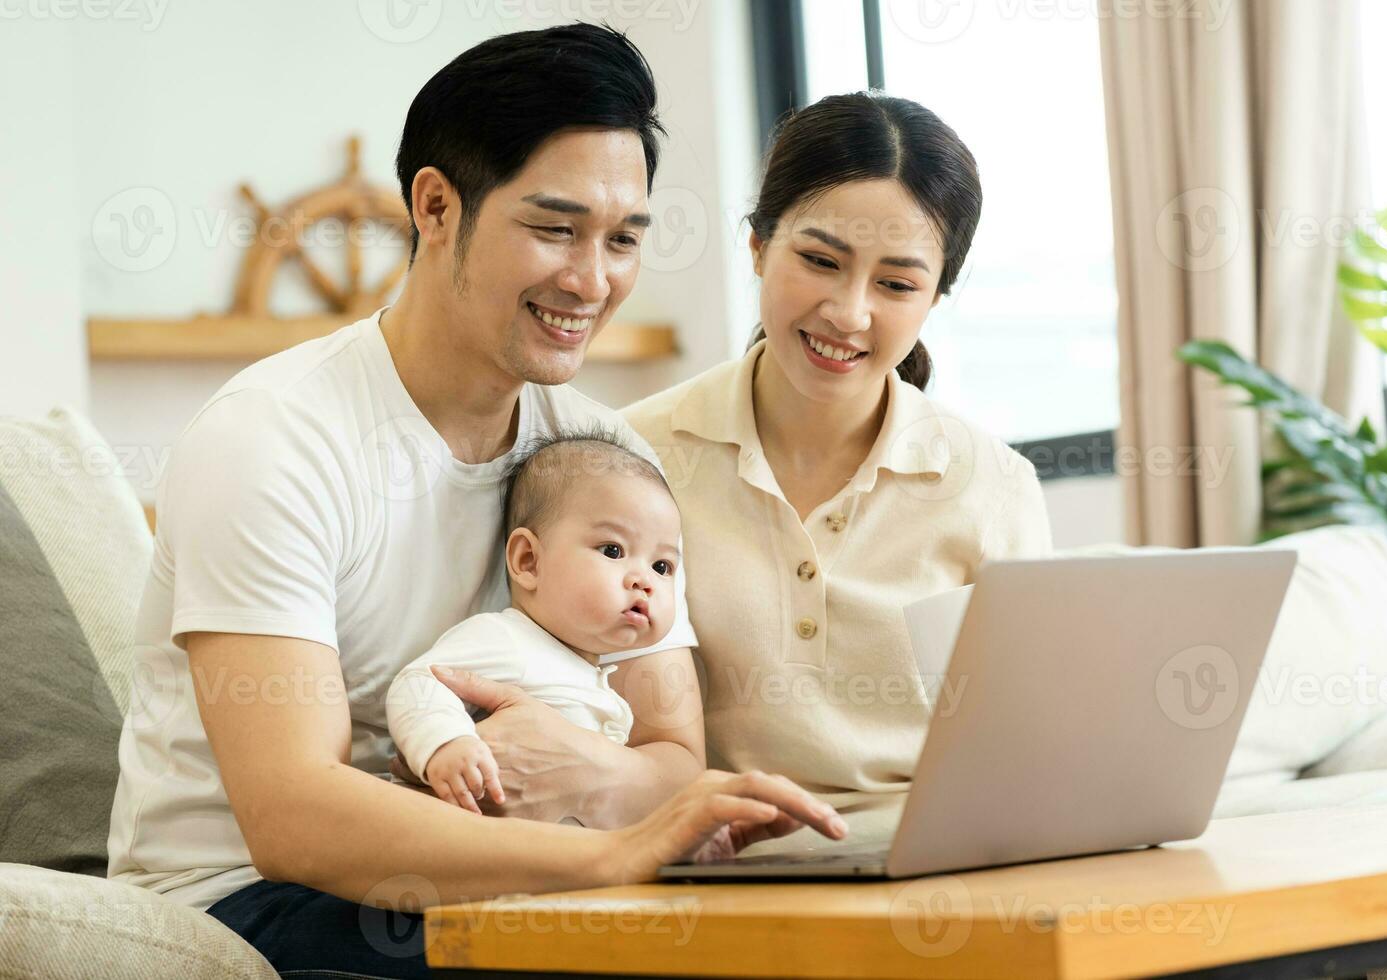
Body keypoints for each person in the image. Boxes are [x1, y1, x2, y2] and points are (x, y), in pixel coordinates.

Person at [107, 25, 844, 980]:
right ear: (436, 206)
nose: (592, 280)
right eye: (553, 228)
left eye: (623, 239)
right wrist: (612, 848)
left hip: (510, 872)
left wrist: (608, 787)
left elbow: (671, 751)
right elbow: (293, 816)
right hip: (253, 898)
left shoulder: (599, 456)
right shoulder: (272, 437)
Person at [624, 92, 1054, 841]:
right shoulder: (632, 456)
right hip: (709, 867)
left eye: (896, 283)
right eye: (820, 261)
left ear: (936, 296)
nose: (848, 313)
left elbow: (1026, 747)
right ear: (758, 246)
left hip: (929, 861)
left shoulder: (995, 487)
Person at [386, 431, 684, 814]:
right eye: (613, 550)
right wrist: (446, 744)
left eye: (662, 566)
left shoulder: (593, 675)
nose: (644, 580)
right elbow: (419, 682)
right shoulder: (507, 639)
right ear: (529, 561)